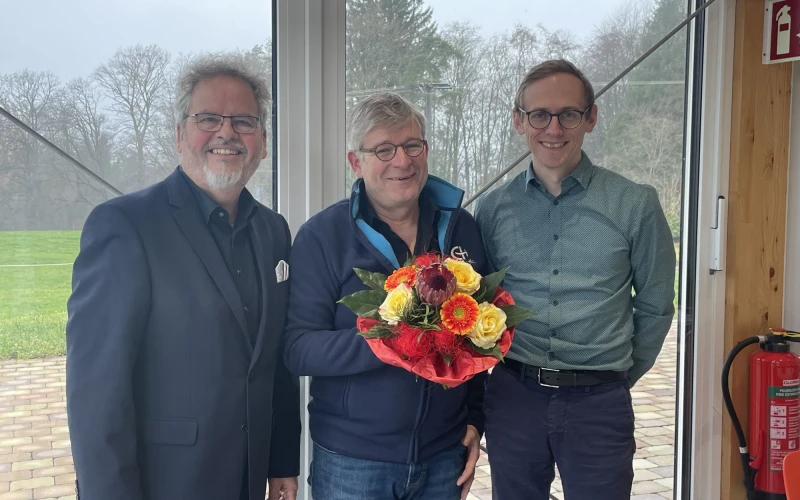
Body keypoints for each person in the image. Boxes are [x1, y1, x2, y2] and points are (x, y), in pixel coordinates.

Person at [66, 53, 300, 500]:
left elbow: (273, 364)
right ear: (179, 135)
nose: (227, 133)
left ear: (263, 142)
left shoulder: (273, 231)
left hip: (249, 480)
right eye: (208, 119)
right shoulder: (125, 226)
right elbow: (96, 393)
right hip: (165, 483)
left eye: (244, 122)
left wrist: (281, 462)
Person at [475, 59, 676, 500]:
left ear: (591, 117)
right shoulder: (491, 210)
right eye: (539, 115)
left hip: (599, 405)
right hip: (513, 397)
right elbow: (479, 303)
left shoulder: (635, 204)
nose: (553, 128)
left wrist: (615, 378)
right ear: (519, 121)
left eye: (568, 114)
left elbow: (657, 305)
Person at [284, 92, 487, 500]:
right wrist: (389, 338)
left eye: (412, 146)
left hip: (443, 457)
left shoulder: (461, 228)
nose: (402, 161)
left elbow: (481, 336)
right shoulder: (322, 236)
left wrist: (475, 421)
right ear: (355, 162)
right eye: (383, 149)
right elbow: (298, 349)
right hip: (353, 464)